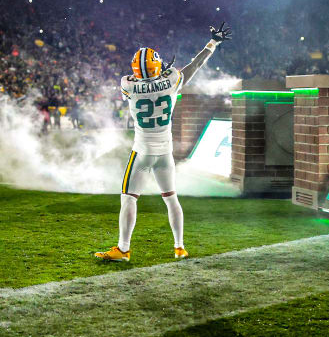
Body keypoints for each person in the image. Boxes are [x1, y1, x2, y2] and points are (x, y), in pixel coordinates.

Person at [96, 22, 232, 262]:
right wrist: (212, 43)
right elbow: (194, 66)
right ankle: (179, 247)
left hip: (142, 152)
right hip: (165, 153)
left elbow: (141, 82)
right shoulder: (171, 80)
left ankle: (123, 249)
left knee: (128, 198)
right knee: (171, 198)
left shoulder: (128, 84)